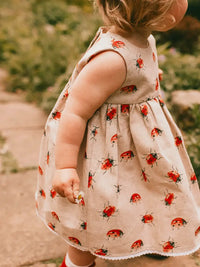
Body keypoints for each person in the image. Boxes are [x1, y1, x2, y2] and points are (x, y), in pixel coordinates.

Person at [35, 0, 200, 266]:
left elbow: (133, 72)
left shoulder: (143, 40)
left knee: (148, 192)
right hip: (101, 155)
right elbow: (75, 112)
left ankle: (150, 234)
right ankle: (78, 261)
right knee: (89, 218)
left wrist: (145, 74)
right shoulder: (112, 60)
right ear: (156, 9)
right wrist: (65, 166)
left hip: (135, 148)